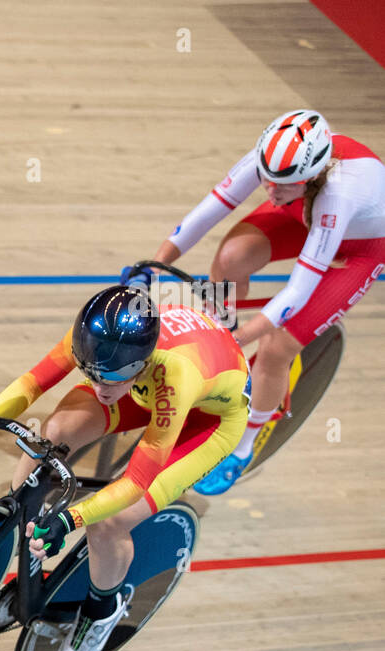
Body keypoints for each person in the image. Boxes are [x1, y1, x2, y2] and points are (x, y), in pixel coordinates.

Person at [0, 286, 247, 651]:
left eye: (110, 379)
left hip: (207, 419)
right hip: (143, 384)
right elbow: (33, 382)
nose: (99, 388)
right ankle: (1, 531)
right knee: (55, 430)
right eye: (91, 373)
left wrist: (70, 520)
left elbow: (135, 482)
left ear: (140, 362)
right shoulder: (97, 335)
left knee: (110, 523)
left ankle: (102, 612)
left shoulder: (176, 376)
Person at [124, 109, 385, 494]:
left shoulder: (336, 196)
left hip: (361, 246)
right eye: (267, 178)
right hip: (305, 215)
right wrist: (154, 264)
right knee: (230, 258)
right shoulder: (274, 164)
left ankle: (241, 449)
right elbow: (207, 212)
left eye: (283, 184)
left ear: (311, 176)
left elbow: (296, 292)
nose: (270, 191)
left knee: (277, 345)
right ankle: (217, 343)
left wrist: (238, 341)